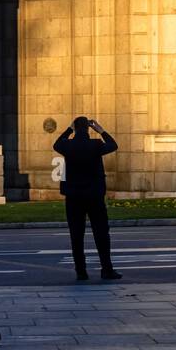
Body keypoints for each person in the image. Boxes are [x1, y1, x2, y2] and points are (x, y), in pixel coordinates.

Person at [52, 117, 121, 282]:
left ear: (75, 128)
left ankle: (81, 272)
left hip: (74, 197)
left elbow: (56, 143)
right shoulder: (96, 145)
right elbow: (113, 145)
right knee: (101, 234)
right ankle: (107, 269)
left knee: (76, 235)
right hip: (94, 196)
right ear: (89, 129)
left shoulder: (67, 146)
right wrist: (101, 130)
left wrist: (69, 129)